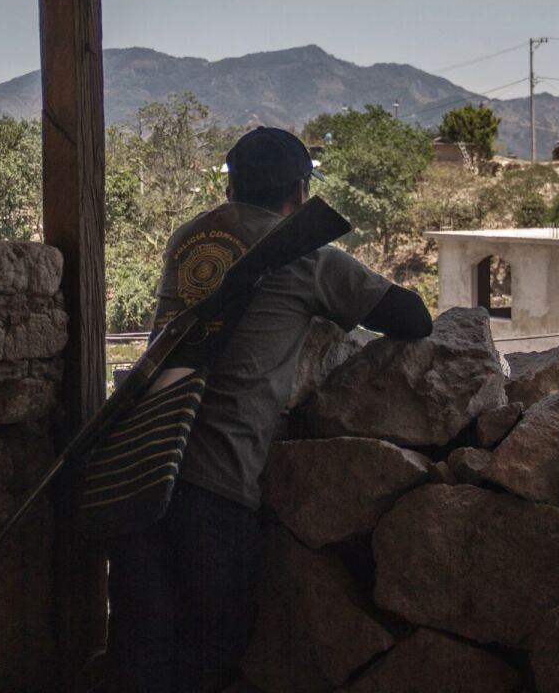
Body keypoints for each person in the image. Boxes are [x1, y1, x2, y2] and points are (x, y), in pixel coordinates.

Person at [104, 127, 433, 693]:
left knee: (140, 652)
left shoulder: (187, 238)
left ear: (230, 187)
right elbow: (413, 318)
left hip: (139, 465)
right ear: (302, 192)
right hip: (216, 480)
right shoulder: (304, 256)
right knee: (210, 653)